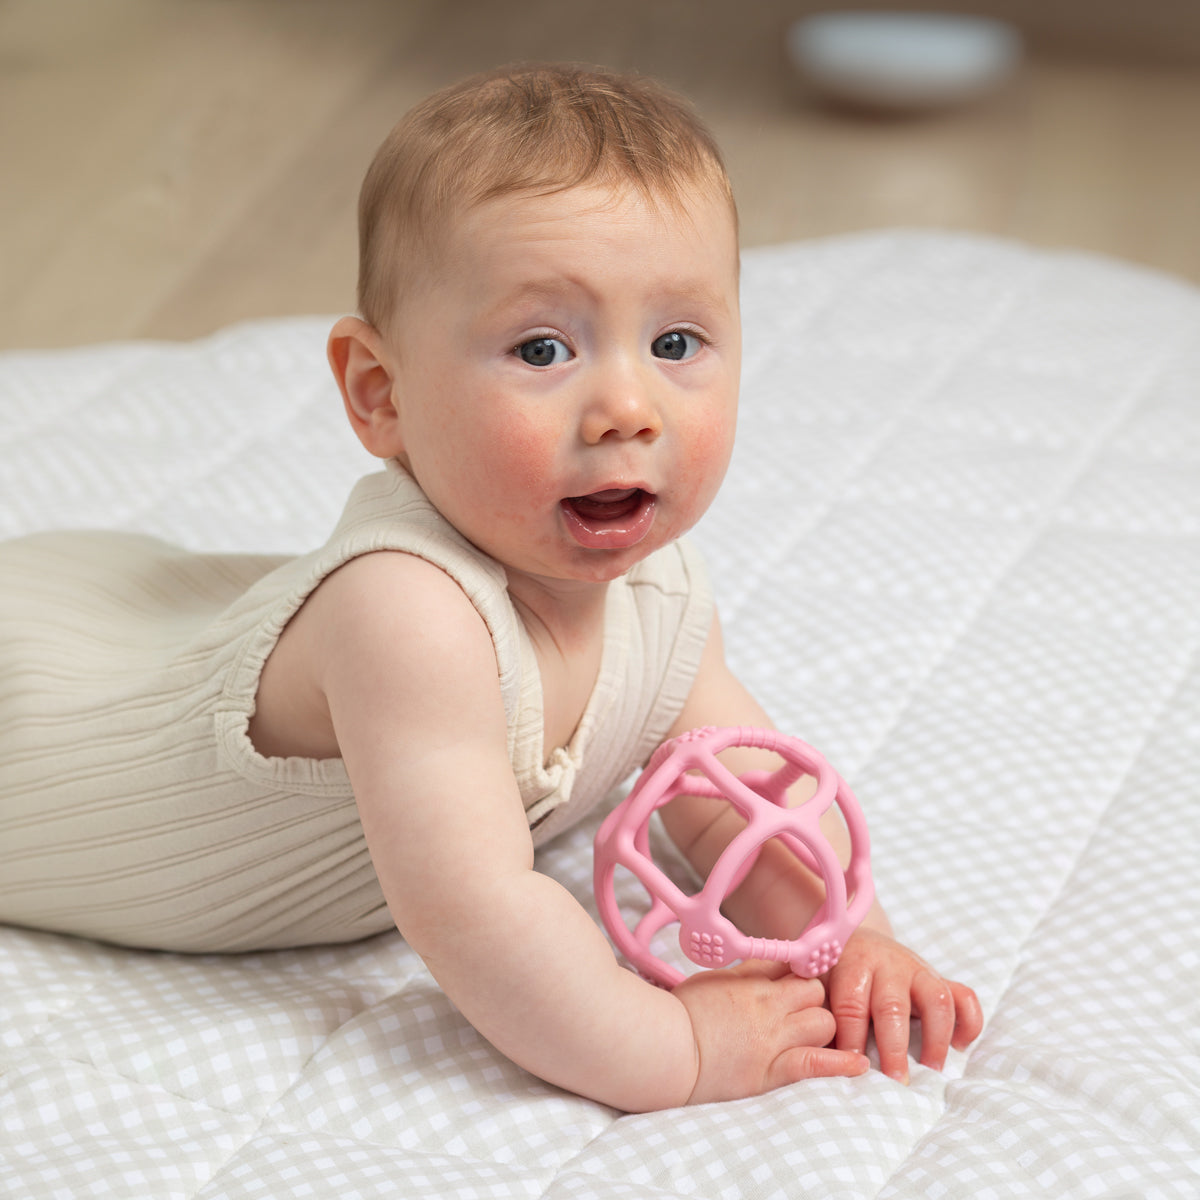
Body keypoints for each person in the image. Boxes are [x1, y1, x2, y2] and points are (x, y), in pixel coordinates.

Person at [0, 63, 982, 1111]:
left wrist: (849, 942)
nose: (628, 407)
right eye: (542, 348)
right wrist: (675, 1047)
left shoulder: (660, 590)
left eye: (676, 343)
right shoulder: (408, 617)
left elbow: (736, 802)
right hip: (48, 730)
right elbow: (478, 915)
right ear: (381, 393)